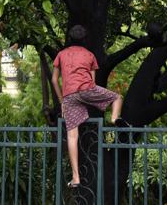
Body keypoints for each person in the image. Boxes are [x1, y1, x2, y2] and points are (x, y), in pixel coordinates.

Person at [51, 25, 124, 187]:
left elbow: (54, 80)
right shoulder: (90, 55)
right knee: (117, 97)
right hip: (87, 90)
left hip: (69, 96)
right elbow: (92, 82)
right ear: (85, 40)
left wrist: (61, 100)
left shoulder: (61, 55)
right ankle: (113, 118)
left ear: (69, 39)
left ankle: (76, 178)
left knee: (72, 136)